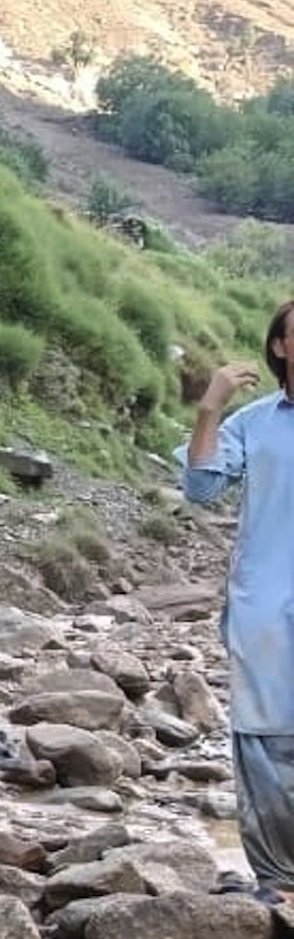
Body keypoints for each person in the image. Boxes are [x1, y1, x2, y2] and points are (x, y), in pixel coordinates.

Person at [179, 302, 294, 901]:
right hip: (267, 607)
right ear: (281, 348)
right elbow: (201, 488)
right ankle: (280, 881)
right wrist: (210, 407)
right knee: (264, 739)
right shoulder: (253, 422)